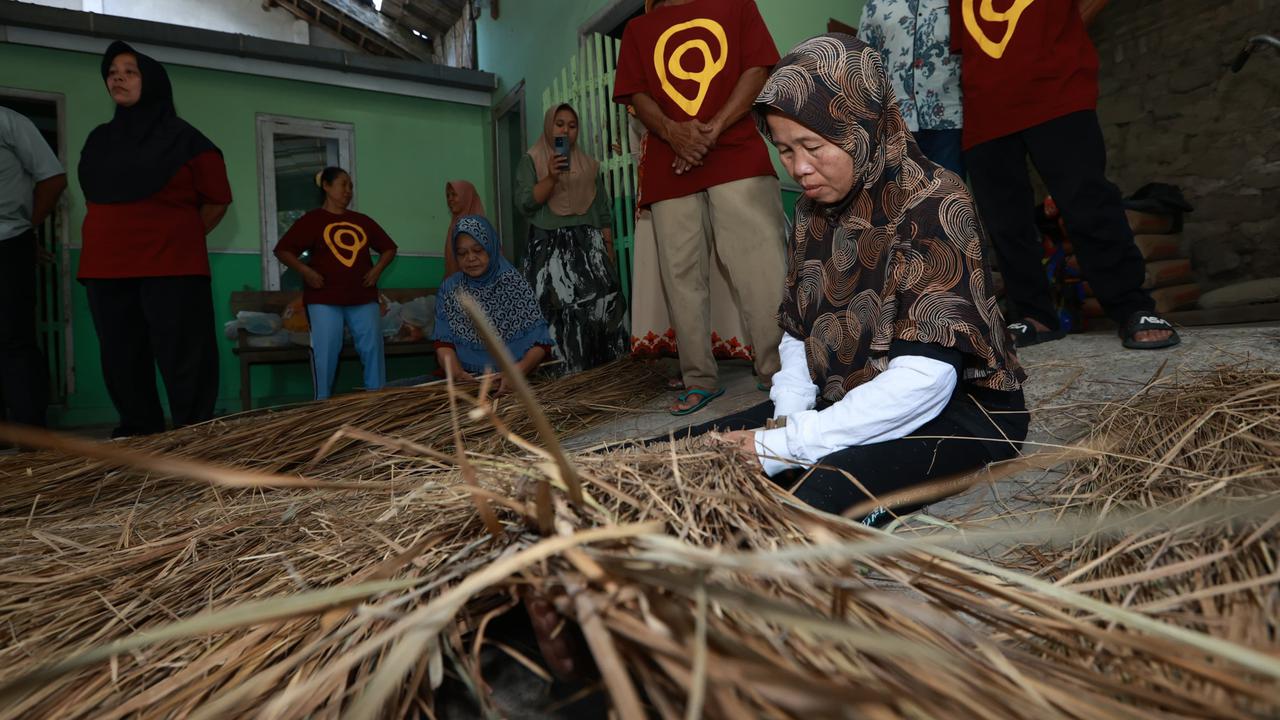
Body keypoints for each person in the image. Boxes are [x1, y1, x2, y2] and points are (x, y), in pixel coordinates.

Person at [684, 33, 1029, 525]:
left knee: (809, 503)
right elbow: (798, 333)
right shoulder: (812, 210)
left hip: (960, 410)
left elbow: (923, 382)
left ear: (861, 126)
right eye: (784, 150)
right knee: (688, 454)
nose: (799, 168)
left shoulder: (934, 203)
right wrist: (787, 421)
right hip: (846, 392)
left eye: (813, 146)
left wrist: (788, 445)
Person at [950, 0, 1179, 349]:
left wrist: (1062, 35)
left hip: (1058, 91)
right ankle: (1033, 315)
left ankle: (1132, 307)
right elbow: (971, 42)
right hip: (985, 109)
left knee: (1087, 201)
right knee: (1004, 220)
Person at [613, 0, 787, 416]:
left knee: (760, 265)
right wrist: (675, 132)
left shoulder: (737, 6)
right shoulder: (638, 30)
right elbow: (637, 93)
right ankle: (699, 379)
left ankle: (779, 370)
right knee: (681, 274)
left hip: (735, 150)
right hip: (669, 161)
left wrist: (710, 130)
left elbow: (757, 70)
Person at [78, 41, 231, 437]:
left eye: (130, 71)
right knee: (121, 354)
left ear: (153, 81)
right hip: (106, 268)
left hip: (171, 264)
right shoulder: (98, 140)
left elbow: (217, 200)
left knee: (183, 353)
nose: (117, 77)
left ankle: (192, 431)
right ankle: (139, 428)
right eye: (112, 72)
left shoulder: (187, 141)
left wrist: (179, 238)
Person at [516, 103, 627, 375]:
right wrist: (551, 177)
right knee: (553, 313)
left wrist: (607, 249)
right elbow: (526, 203)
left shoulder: (588, 165)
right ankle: (560, 379)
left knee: (601, 306)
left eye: (572, 125)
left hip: (589, 249)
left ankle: (604, 375)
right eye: (560, 124)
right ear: (548, 126)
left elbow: (602, 211)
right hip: (547, 249)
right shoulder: (531, 160)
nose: (566, 130)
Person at [274, 166, 397, 401]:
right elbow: (283, 250)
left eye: (350, 186)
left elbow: (389, 248)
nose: (348, 191)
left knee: (372, 349)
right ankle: (322, 404)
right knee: (326, 351)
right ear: (327, 187)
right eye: (343, 184)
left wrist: (377, 270)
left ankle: (377, 401)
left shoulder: (361, 221)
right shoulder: (312, 220)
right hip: (324, 298)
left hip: (362, 296)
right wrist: (305, 271)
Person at [432, 215, 553, 395]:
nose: (470, 258)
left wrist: (517, 372)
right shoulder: (451, 289)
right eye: (462, 253)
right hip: (468, 382)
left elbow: (540, 344)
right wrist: (457, 373)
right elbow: (443, 342)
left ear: (491, 248)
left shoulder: (513, 285)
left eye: (478, 250)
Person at [0, 106, 66, 428]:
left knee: (14, 338)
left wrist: (28, 229)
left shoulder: (9, 122)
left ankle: (32, 439)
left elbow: (53, 178)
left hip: (9, 241)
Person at [858, 0, 966, 175]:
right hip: (895, 122)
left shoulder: (957, 4)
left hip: (948, 119)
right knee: (897, 197)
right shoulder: (875, 5)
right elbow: (864, 64)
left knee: (948, 197)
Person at [443, 180, 485, 277]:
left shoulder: (479, 227)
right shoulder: (454, 226)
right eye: (448, 196)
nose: (450, 199)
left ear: (466, 197)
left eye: (454, 194)